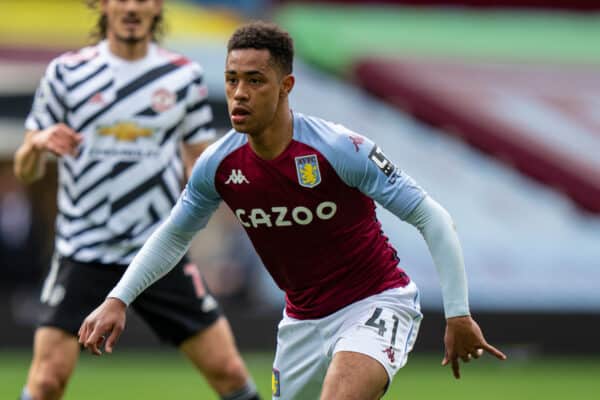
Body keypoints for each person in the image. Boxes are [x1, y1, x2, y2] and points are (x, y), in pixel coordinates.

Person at [78, 21, 507, 400]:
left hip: (376, 303)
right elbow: (174, 234)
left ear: (286, 86)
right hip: (301, 320)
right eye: (231, 80)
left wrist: (458, 313)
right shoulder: (218, 164)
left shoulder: (340, 149)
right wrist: (119, 298)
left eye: (255, 80)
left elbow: (433, 218)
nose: (239, 94)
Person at [13, 1, 260, 400]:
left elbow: (203, 163)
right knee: (45, 382)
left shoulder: (182, 76)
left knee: (229, 372)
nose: (131, 6)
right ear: (103, 5)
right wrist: (38, 145)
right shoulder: (67, 72)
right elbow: (26, 169)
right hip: (83, 251)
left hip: (158, 252)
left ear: (157, 6)